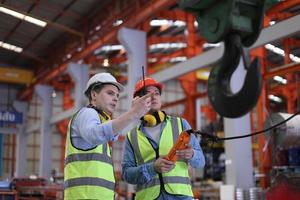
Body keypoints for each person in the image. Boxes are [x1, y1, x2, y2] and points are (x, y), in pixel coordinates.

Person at [64, 72, 153, 200]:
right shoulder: (87, 113)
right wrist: (133, 113)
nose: (116, 98)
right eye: (110, 93)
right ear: (94, 95)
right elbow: (95, 134)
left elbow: (107, 133)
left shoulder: (100, 122)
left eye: (117, 95)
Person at [122, 77, 205, 200]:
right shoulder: (132, 136)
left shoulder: (181, 125)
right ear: (138, 100)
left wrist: (192, 154)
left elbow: (201, 162)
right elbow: (127, 174)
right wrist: (152, 168)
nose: (154, 96)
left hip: (180, 197)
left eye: (156, 93)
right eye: (148, 94)